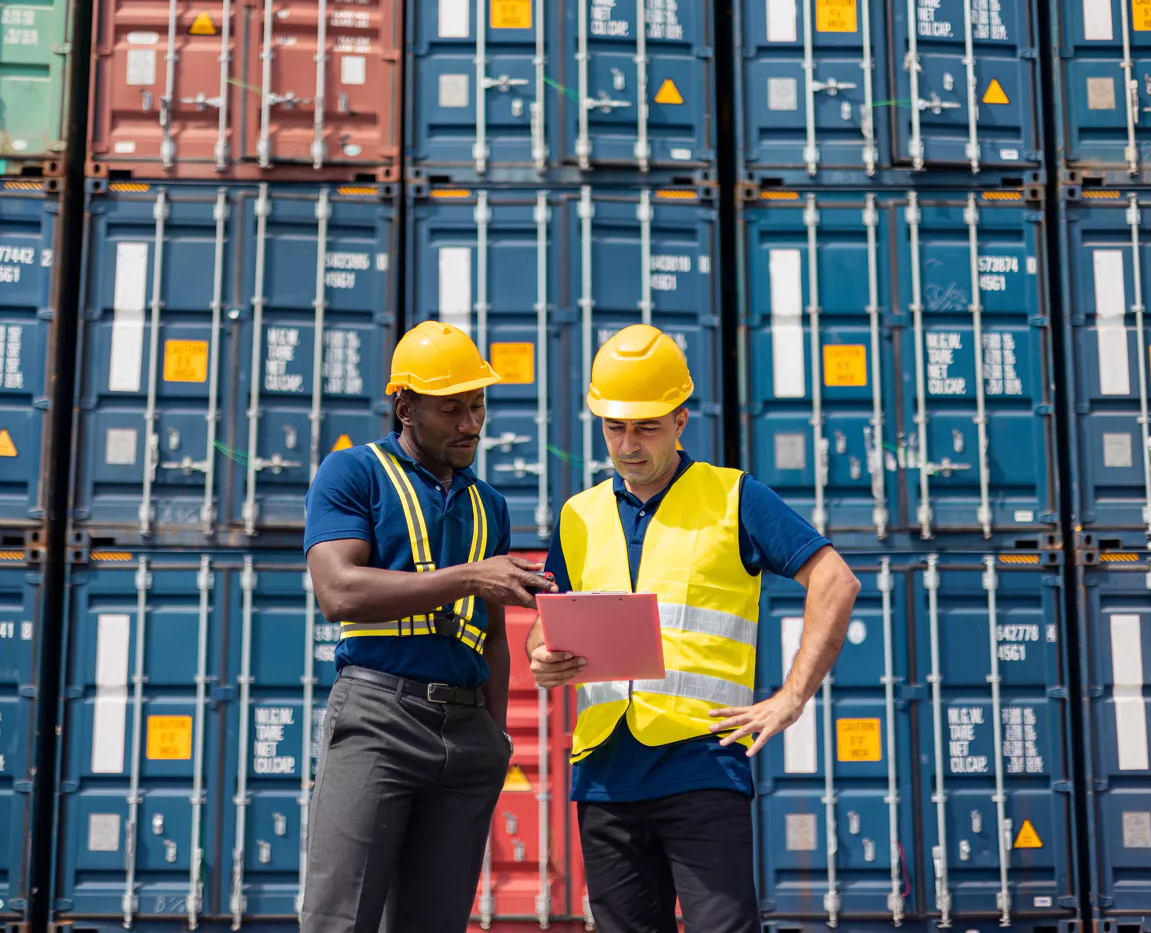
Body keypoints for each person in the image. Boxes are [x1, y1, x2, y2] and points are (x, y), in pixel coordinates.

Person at [525, 324, 860, 933]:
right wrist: (542, 654)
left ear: (681, 421)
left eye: (647, 427)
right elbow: (543, 625)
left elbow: (835, 581)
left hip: (702, 766)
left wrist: (790, 700)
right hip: (604, 775)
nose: (628, 444)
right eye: (614, 427)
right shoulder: (579, 515)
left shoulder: (734, 496)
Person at [300, 320, 557, 933]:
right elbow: (338, 592)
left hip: (469, 735)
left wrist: (496, 736)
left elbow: (491, 637)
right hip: (377, 719)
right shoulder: (352, 473)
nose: (471, 424)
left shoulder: (490, 505)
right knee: (339, 921)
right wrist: (469, 576)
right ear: (405, 408)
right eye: (452, 410)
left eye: (478, 406)